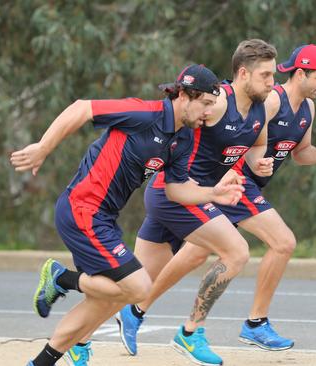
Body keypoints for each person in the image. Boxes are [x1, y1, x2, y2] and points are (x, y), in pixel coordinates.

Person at [10, 64, 244, 366]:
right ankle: (62, 278)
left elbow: (176, 190)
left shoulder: (182, 138)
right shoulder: (143, 114)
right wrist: (43, 147)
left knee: (105, 300)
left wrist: (213, 193)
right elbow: (82, 108)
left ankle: (41, 362)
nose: (209, 114)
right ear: (185, 95)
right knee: (138, 287)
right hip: (83, 208)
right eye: (206, 104)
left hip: (103, 218)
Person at [118, 44, 316, 358]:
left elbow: (277, 148)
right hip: (225, 184)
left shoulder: (299, 109)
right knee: (279, 243)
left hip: (219, 184)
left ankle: (136, 311)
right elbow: (193, 118)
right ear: (301, 73)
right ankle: (249, 324)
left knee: (193, 257)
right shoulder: (266, 99)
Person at [116, 39, 278, 366]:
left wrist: (261, 162)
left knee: (133, 281)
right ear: (243, 73)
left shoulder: (261, 107)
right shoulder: (217, 103)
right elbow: (174, 119)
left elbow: (256, 146)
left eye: (273, 75)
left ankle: (82, 317)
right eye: (265, 75)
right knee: (236, 252)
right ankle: (191, 333)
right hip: (174, 191)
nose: (272, 83)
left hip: (190, 195)